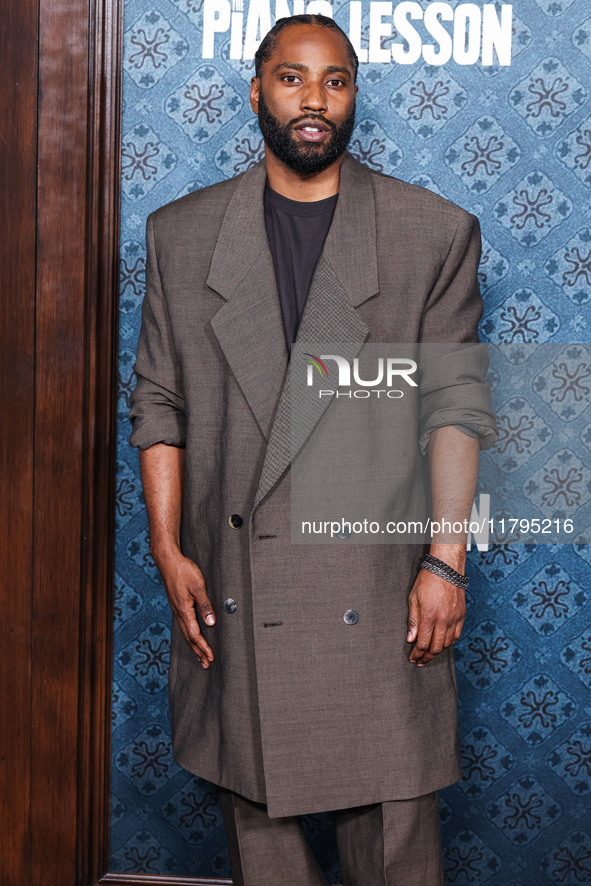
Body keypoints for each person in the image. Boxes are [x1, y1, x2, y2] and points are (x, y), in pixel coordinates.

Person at [129, 14, 498, 886]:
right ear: (255, 91)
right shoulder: (179, 235)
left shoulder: (431, 231)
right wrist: (165, 543)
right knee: (266, 848)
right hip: (238, 586)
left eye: (334, 81)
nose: (314, 101)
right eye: (292, 79)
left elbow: (454, 406)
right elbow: (159, 400)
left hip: (377, 593)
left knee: (395, 852)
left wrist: (445, 561)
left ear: (353, 96)